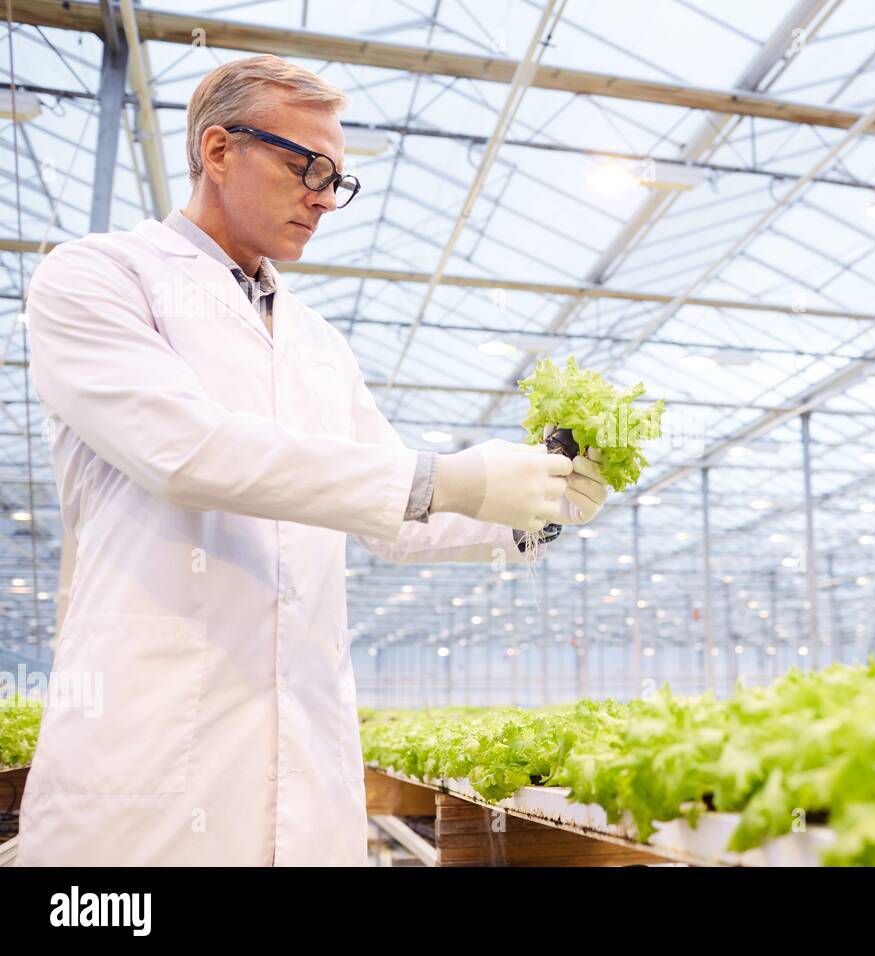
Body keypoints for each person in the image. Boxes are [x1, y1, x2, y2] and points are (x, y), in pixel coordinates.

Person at [17, 55, 609, 865]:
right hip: (146, 764)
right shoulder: (98, 278)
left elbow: (396, 517)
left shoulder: (317, 343)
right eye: (308, 167)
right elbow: (186, 452)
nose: (326, 197)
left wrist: (535, 513)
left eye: (339, 179)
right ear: (218, 151)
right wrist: (452, 476)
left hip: (305, 776)